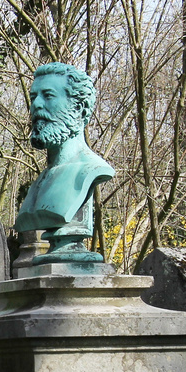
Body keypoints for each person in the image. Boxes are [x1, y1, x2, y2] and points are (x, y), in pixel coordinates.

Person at [14, 62, 115, 260]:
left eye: (48, 96)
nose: (36, 105)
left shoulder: (90, 170)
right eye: (33, 97)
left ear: (80, 108)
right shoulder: (40, 182)